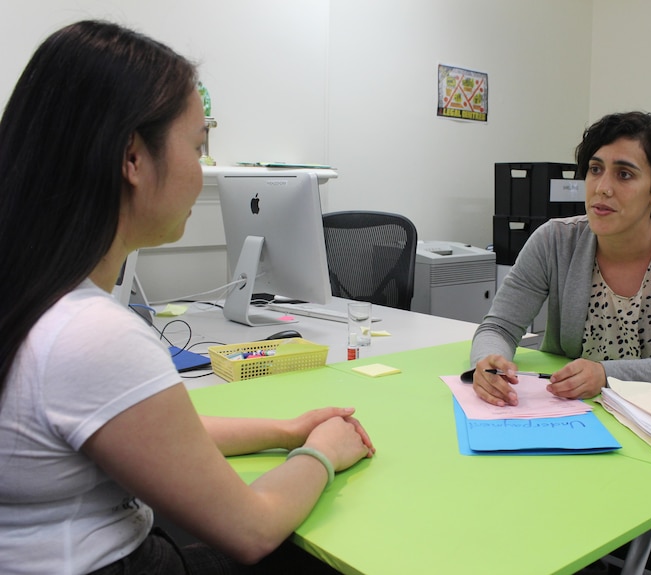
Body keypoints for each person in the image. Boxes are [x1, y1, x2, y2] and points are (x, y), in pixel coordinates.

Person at [0, 20, 374, 574]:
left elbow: (149, 431)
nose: (203, 173)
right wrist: (321, 453)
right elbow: (250, 528)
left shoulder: (31, 295)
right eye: (198, 147)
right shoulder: (91, 335)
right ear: (132, 157)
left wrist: (286, 430)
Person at [470, 111, 651, 575]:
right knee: (528, 534)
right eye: (595, 169)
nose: (602, 187)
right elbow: (498, 324)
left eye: (625, 174)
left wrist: (607, 374)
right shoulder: (556, 239)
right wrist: (488, 362)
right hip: (574, 425)